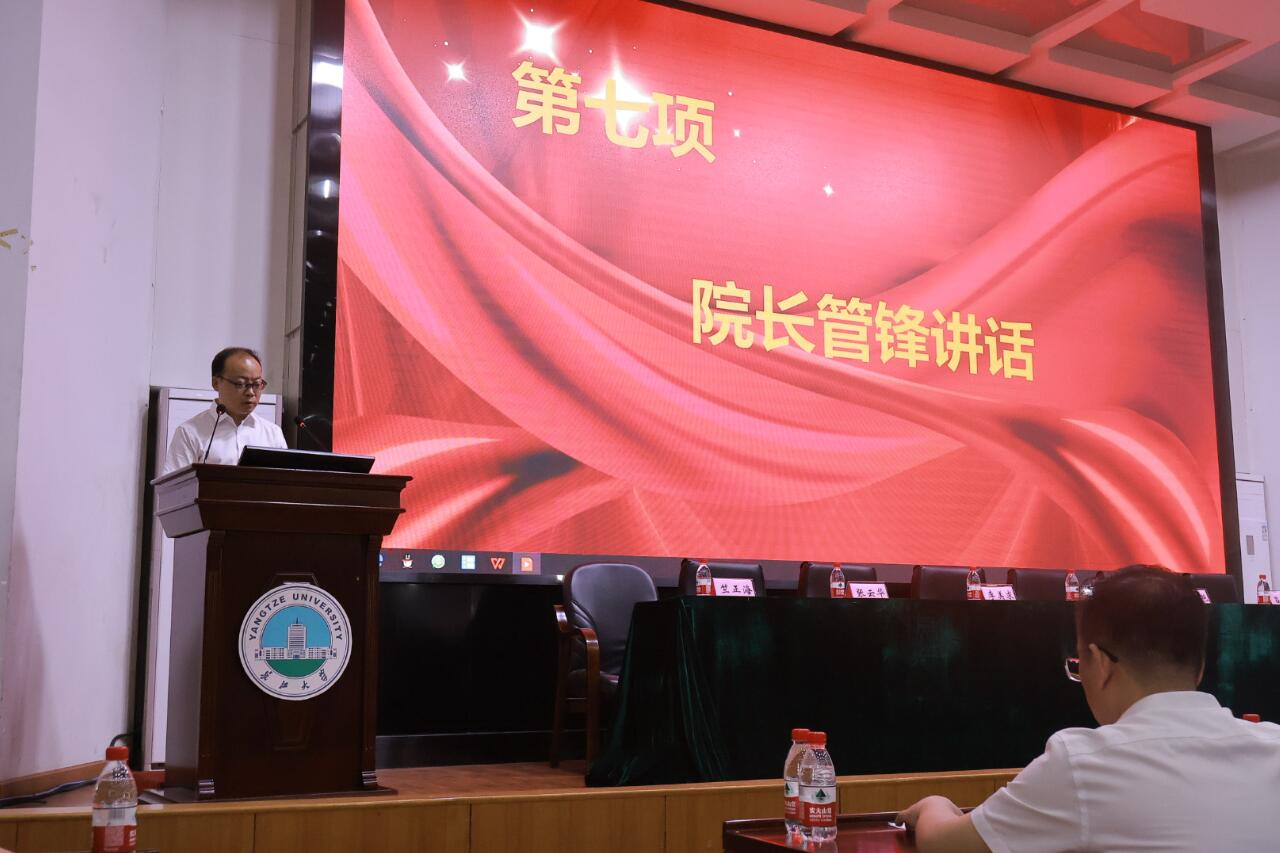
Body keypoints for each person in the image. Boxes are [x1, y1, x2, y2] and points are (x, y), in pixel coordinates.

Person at [897, 564, 1280, 853]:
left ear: (1099, 663)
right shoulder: (1273, 746)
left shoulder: (1081, 764)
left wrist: (934, 804)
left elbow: (945, 845)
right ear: (1200, 666)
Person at [162, 347, 286, 474]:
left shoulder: (273, 434)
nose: (250, 392)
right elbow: (173, 485)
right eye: (240, 384)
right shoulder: (189, 433)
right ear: (216, 383)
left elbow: (284, 481)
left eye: (257, 384)